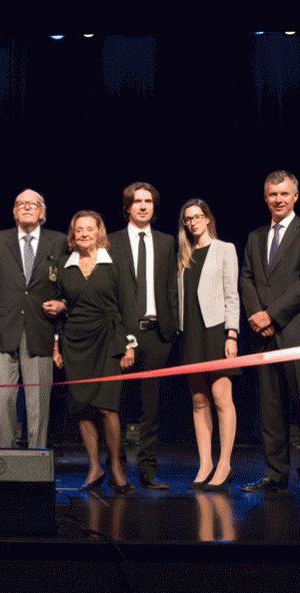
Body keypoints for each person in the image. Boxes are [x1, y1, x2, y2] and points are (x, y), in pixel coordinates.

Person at [240, 171, 300, 499]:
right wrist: (256, 316)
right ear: (265, 198)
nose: (278, 199)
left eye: (284, 194)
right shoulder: (256, 236)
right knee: (270, 409)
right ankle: (275, 474)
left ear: (295, 197)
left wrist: (272, 315)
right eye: (273, 194)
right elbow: (247, 277)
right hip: (263, 335)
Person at [52, 211, 135, 493]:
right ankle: (94, 466)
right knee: (83, 406)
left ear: (99, 232)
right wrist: (56, 345)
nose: (84, 233)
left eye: (90, 228)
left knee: (107, 407)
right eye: (79, 229)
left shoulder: (116, 263)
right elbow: (59, 308)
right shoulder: (65, 265)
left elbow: (128, 305)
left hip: (109, 340)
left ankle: (114, 465)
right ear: (72, 235)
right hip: (75, 342)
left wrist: (129, 345)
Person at [107, 182, 179, 490]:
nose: (143, 206)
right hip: (123, 333)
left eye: (148, 201)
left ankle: (148, 471)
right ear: (127, 206)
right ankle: (117, 468)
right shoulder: (110, 241)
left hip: (157, 334)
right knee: (117, 407)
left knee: (151, 409)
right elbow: (109, 291)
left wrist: (172, 328)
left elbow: (171, 289)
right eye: (137, 201)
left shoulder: (166, 242)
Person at [0, 189, 68, 450]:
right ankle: (2, 458)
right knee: (5, 398)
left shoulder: (59, 241)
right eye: (20, 204)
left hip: (41, 330)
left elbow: (67, 285)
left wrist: (63, 305)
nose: (26, 207)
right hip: (4, 329)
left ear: (42, 212)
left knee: (38, 402)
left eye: (32, 204)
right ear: (14, 212)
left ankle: (36, 459)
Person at [177, 199, 240, 492]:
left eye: (197, 217)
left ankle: (224, 463)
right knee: (199, 400)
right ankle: (205, 463)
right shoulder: (183, 256)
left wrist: (232, 333)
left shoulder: (224, 249)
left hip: (216, 330)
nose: (193, 222)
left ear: (208, 218)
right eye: (188, 219)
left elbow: (232, 293)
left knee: (220, 397)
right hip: (190, 332)